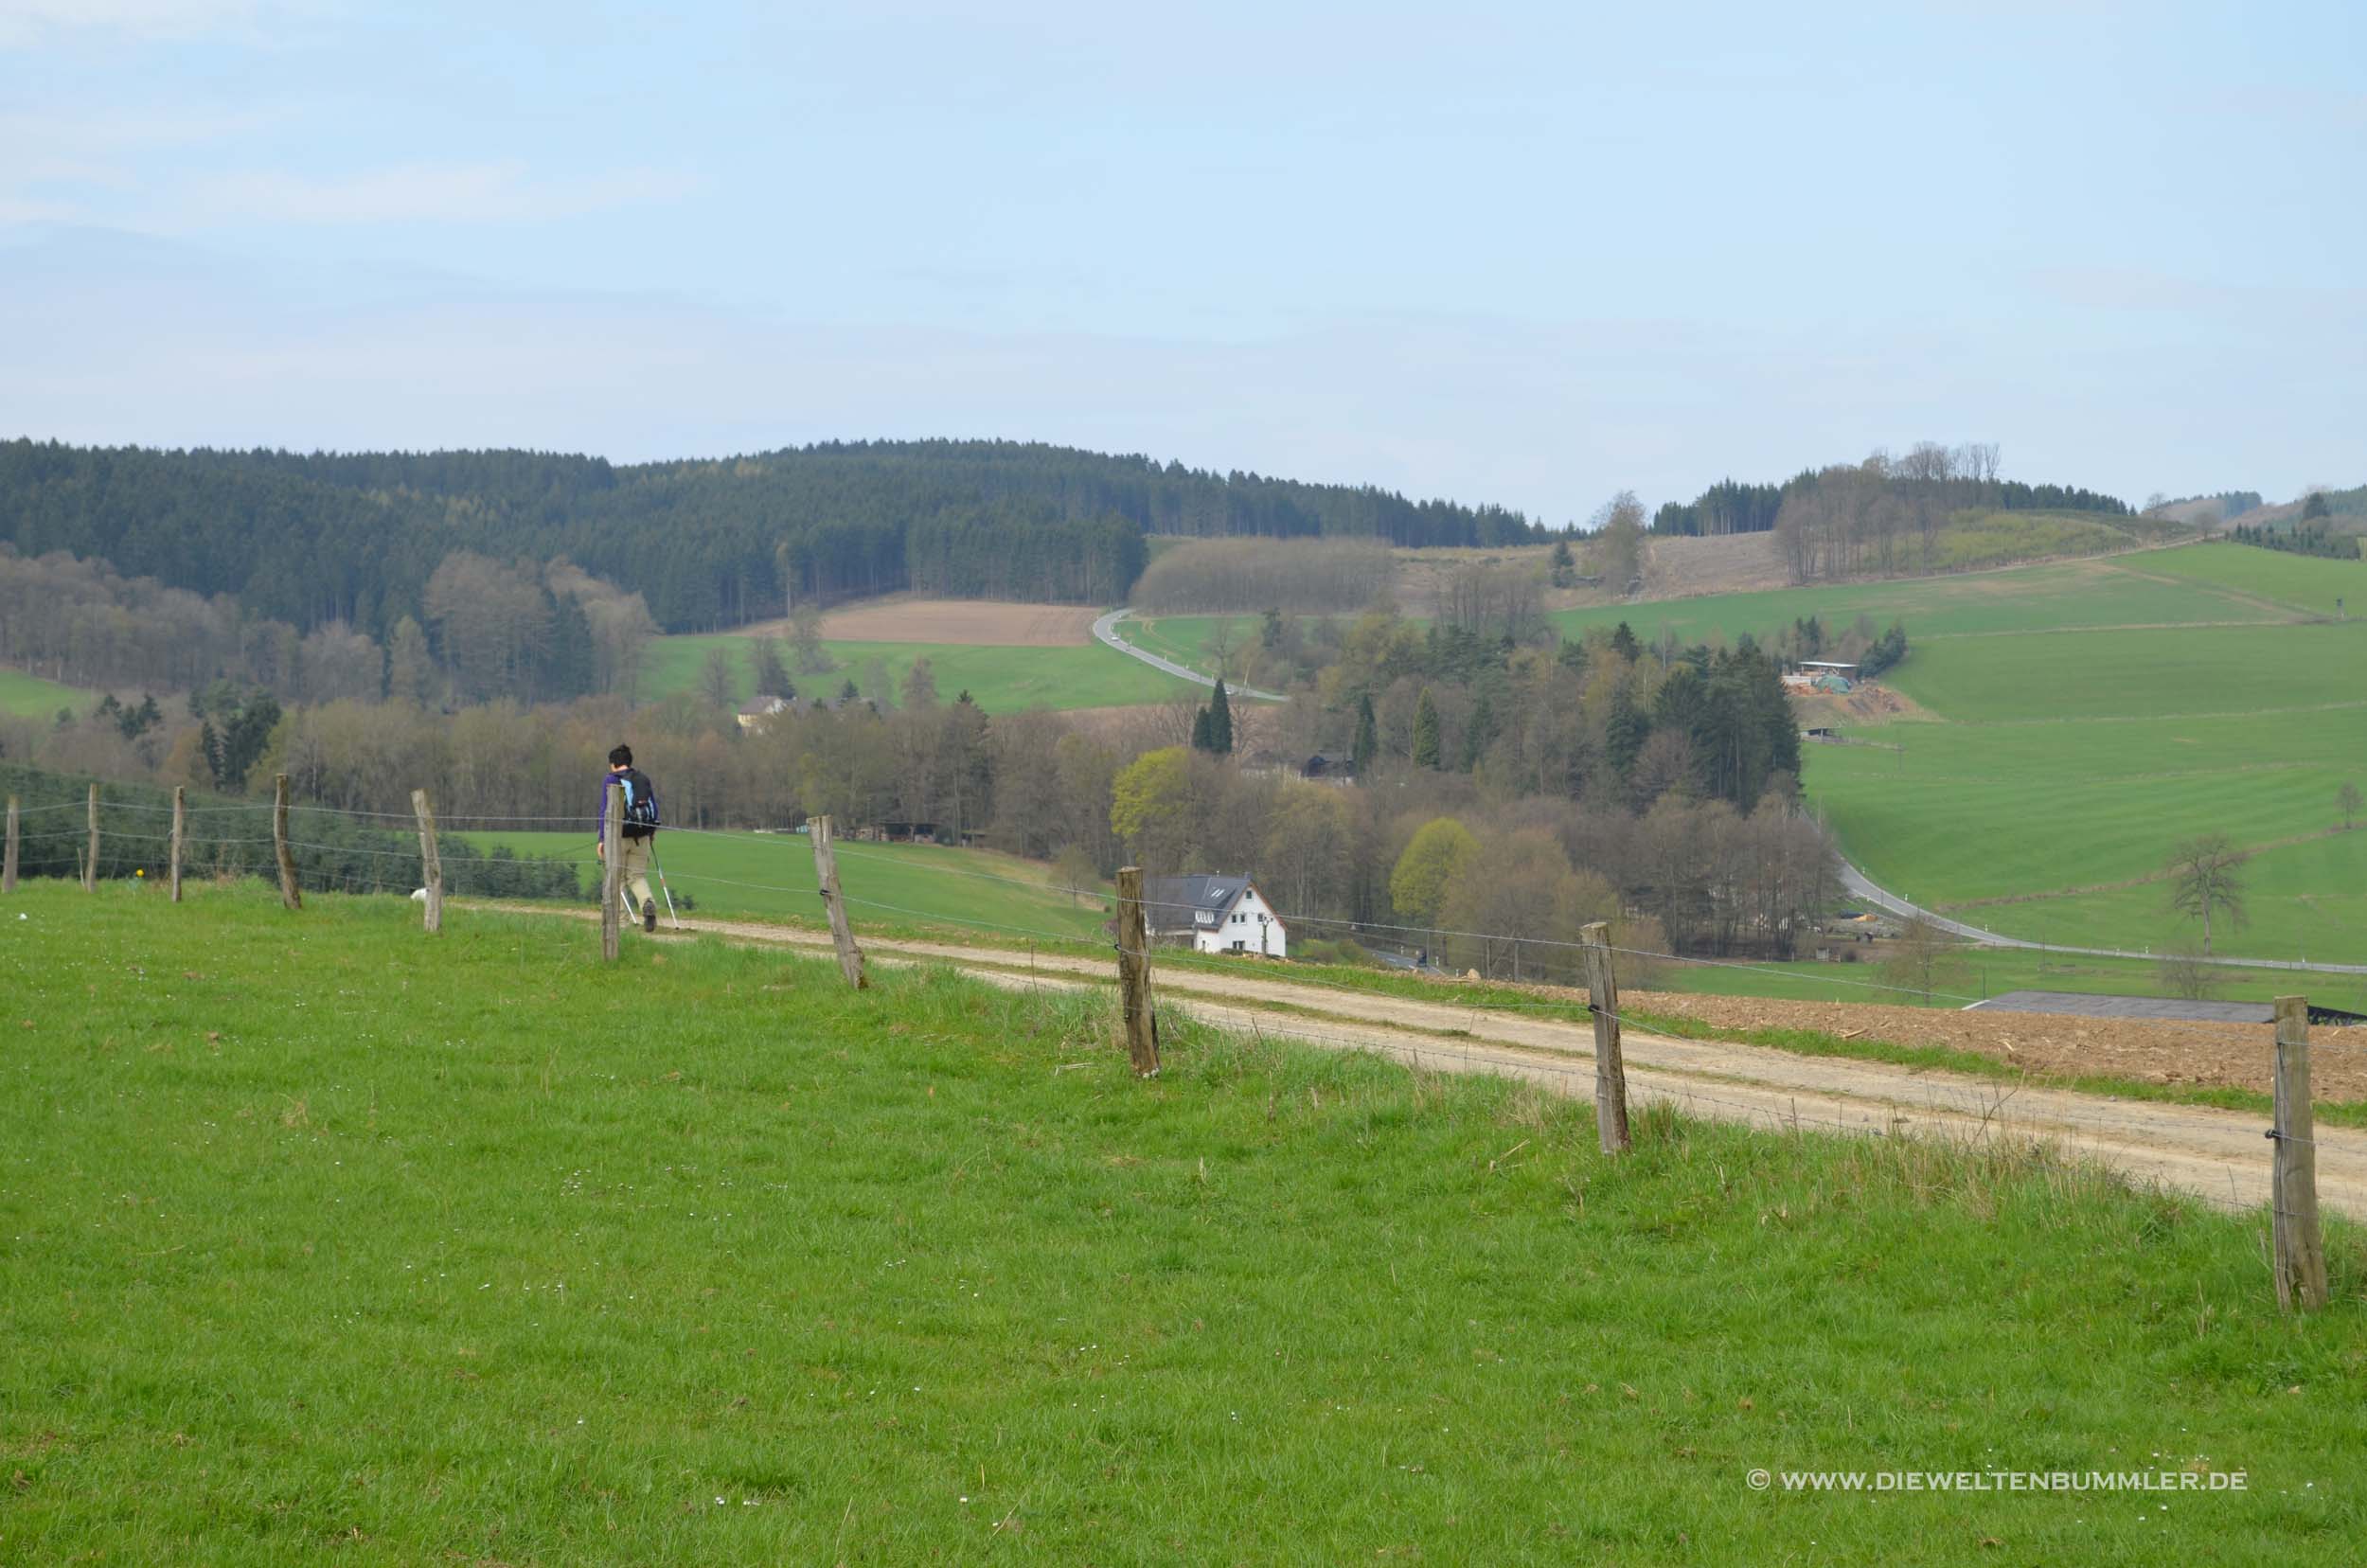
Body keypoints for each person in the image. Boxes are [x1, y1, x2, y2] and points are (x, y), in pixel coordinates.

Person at [596, 743, 662, 933]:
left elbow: (604, 810)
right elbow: (653, 807)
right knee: (637, 877)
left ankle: (621, 924)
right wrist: (651, 832)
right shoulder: (642, 778)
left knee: (616, 880)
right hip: (641, 835)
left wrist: (602, 839)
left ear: (614, 764)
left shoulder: (611, 780)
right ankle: (647, 903)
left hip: (618, 836)